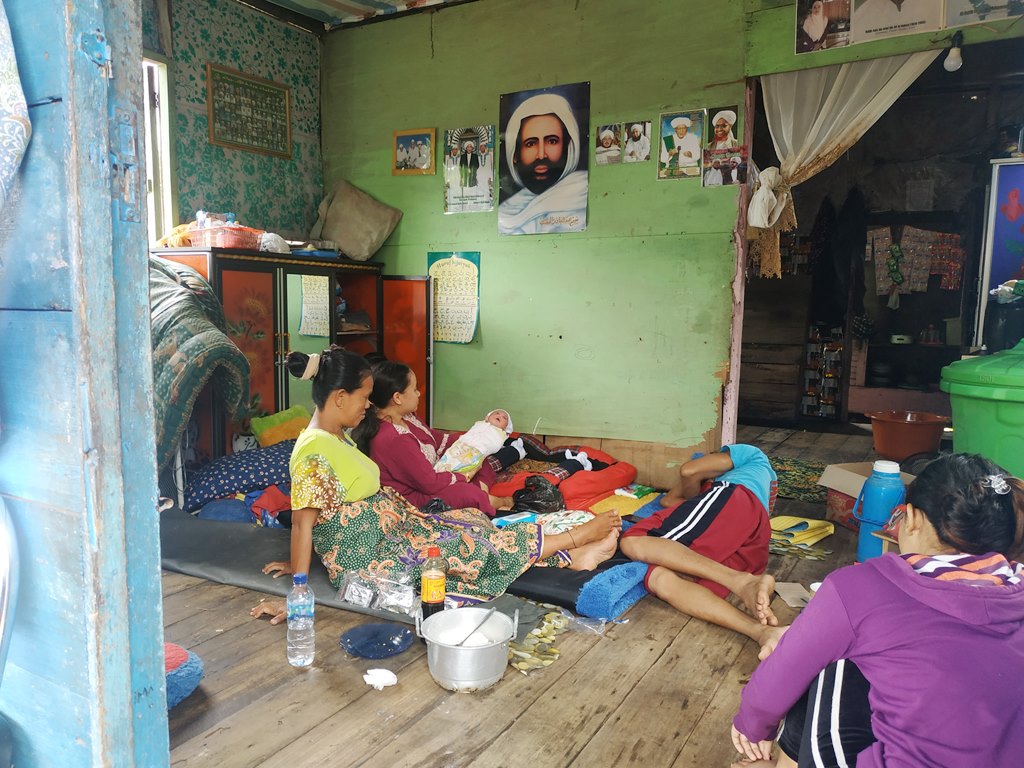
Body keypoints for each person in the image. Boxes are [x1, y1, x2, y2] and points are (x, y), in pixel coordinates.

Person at [250, 348, 622, 624]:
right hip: (367, 555)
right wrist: (297, 591)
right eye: (364, 399)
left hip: (392, 529)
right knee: (460, 547)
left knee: (467, 523)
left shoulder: (335, 436)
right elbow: (303, 521)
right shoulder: (314, 451)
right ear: (340, 397)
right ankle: (571, 542)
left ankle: (572, 558)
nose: (368, 406)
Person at [730, 453, 1024, 768]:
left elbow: (785, 670)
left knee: (834, 662)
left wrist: (752, 723)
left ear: (912, 519)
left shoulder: (862, 587)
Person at [619, 446, 780, 649]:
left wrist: (697, 475)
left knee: (635, 539)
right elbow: (669, 500)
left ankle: (739, 582)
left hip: (734, 498)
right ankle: (761, 632)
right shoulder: (718, 492)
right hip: (749, 540)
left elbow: (689, 470)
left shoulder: (755, 457)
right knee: (662, 577)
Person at [498, 92, 588, 235]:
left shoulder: (581, 194)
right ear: (515, 154)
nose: (541, 155)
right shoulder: (508, 210)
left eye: (552, 141)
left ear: (568, 146)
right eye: (531, 143)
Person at [435, 408, 514, 479]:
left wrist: (484, 447)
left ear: (505, 428)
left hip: (477, 450)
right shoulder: (480, 423)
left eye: (504, 418)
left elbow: (495, 445)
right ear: (488, 417)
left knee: (466, 466)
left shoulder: (500, 434)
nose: (499, 416)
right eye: (497, 413)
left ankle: (455, 479)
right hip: (462, 444)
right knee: (449, 457)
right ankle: (437, 472)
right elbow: (470, 432)